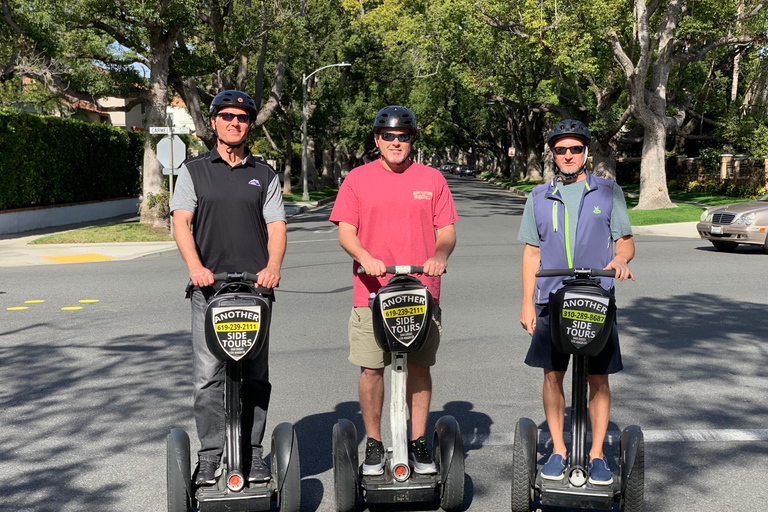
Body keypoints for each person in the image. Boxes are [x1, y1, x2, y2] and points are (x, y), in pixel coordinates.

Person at [329, 105, 458, 476]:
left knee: (419, 367)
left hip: (422, 292)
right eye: (388, 136)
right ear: (377, 140)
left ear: (412, 139)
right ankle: (373, 442)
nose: (396, 142)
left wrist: (439, 254)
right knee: (372, 369)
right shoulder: (357, 179)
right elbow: (346, 232)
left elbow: (446, 231)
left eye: (403, 136)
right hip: (371, 292)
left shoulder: (432, 179)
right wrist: (365, 257)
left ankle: (418, 441)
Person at [170, 90, 287, 485]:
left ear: (249, 124)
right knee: (207, 377)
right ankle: (209, 455)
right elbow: (181, 223)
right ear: (215, 121)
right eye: (227, 116)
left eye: (242, 117)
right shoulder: (194, 170)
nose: (235, 122)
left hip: (256, 291)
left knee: (255, 374)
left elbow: (276, 226)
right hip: (209, 290)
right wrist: (195, 267)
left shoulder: (265, 174)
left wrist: (272, 267)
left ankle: (253, 453)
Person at [517, 119, 635, 485]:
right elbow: (531, 253)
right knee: (553, 375)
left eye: (575, 149)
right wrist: (525, 302)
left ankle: (597, 454)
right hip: (551, 299)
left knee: (598, 378)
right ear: (552, 154)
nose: (568, 155)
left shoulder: (608, 192)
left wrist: (619, 259)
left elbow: (625, 242)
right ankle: (558, 449)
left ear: (587, 153)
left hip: (596, 298)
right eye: (561, 149)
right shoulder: (538, 196)